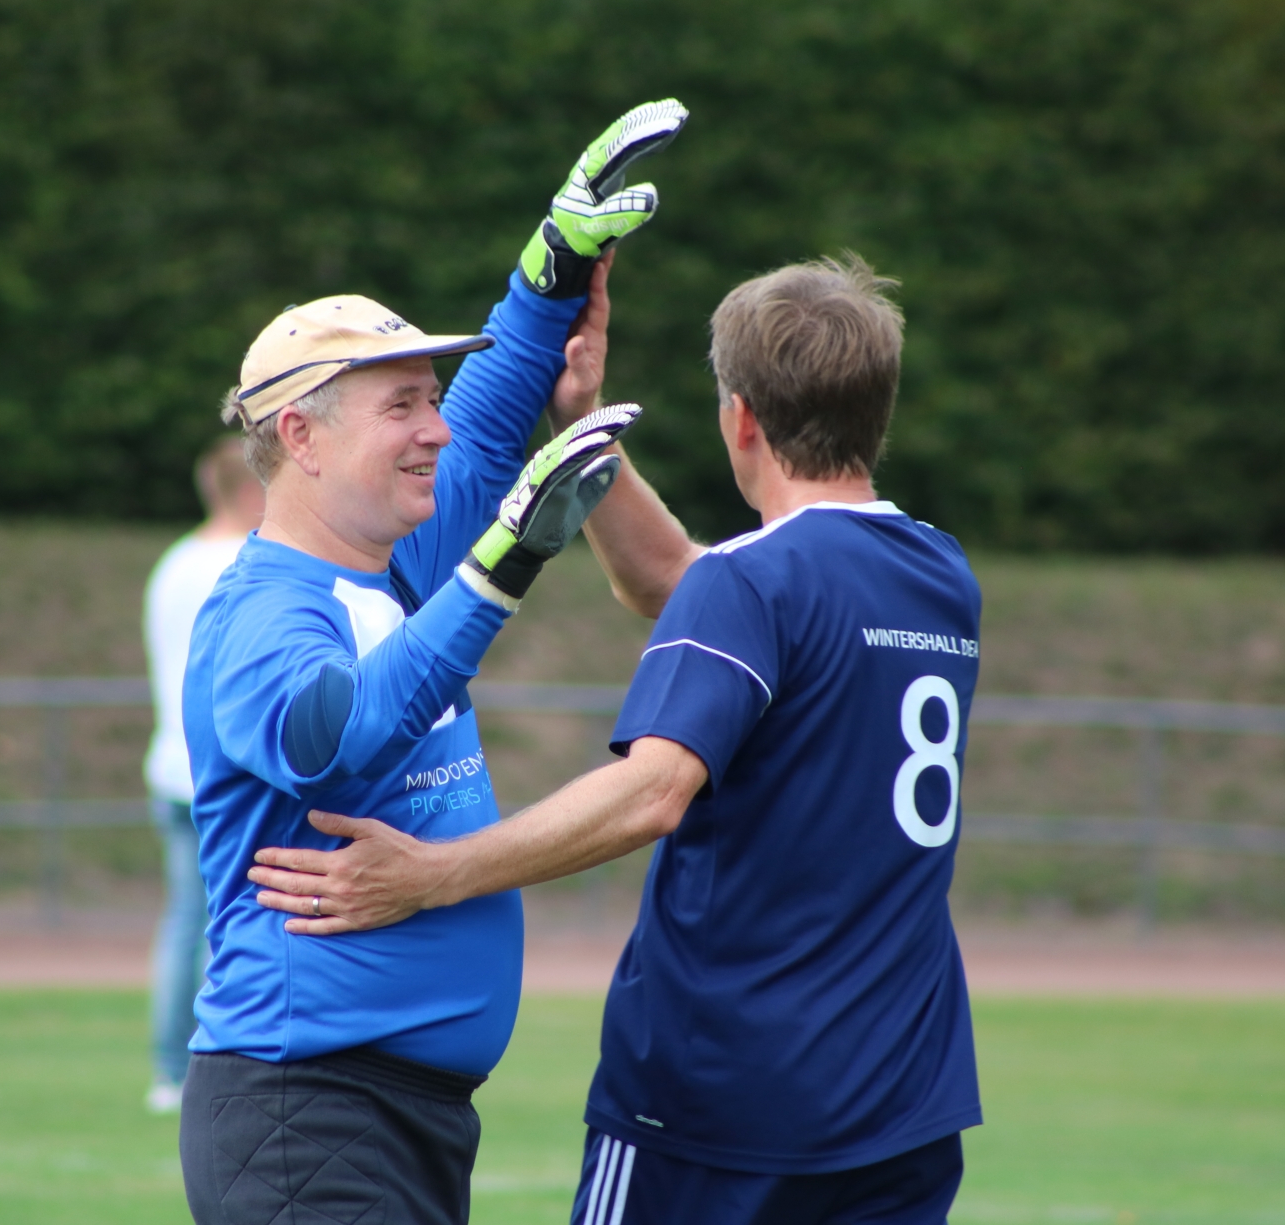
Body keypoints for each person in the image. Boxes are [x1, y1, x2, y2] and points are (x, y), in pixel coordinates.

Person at [249, 255, 984, 1225]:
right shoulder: (938, 570)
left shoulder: (751, 582)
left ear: (741, 419)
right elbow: (673, 581)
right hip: (905, 1089)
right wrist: (582, 426)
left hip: (727, 1084)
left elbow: (653, 790)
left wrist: (437, 873)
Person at [178, 101, 691, 1225]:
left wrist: (556, 261)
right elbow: (334, 734)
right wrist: (500, 567)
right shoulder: (258, 613)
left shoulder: (391, 563)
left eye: (430, 399)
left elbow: (499, 407)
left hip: (387, 1114)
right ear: (301, 438)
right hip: (303, 1114)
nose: (437, 429)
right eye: (402, 406)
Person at [141, 437, 266, 1114]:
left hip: (169, 767)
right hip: (222, 776)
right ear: (249, 491)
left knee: (184, 922)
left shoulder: (173, 562)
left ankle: (169, 1071)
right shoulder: (242, 564)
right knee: (231, 925)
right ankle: (219, 1061)